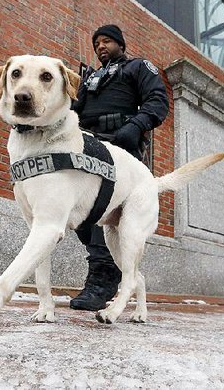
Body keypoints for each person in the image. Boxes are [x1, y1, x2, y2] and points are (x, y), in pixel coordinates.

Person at [69, 24, 169, 310]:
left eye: (107, 41)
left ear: (121, 44)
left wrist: (136, 125)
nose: (101, 46)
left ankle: (102, 279)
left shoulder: (137, 67)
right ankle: (108, 268)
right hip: (89, 143)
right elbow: (77, 111)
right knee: (83, 213)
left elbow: (158, 101)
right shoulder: (91, 77)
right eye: (97, 43)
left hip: (121, 145)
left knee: (104, 209)